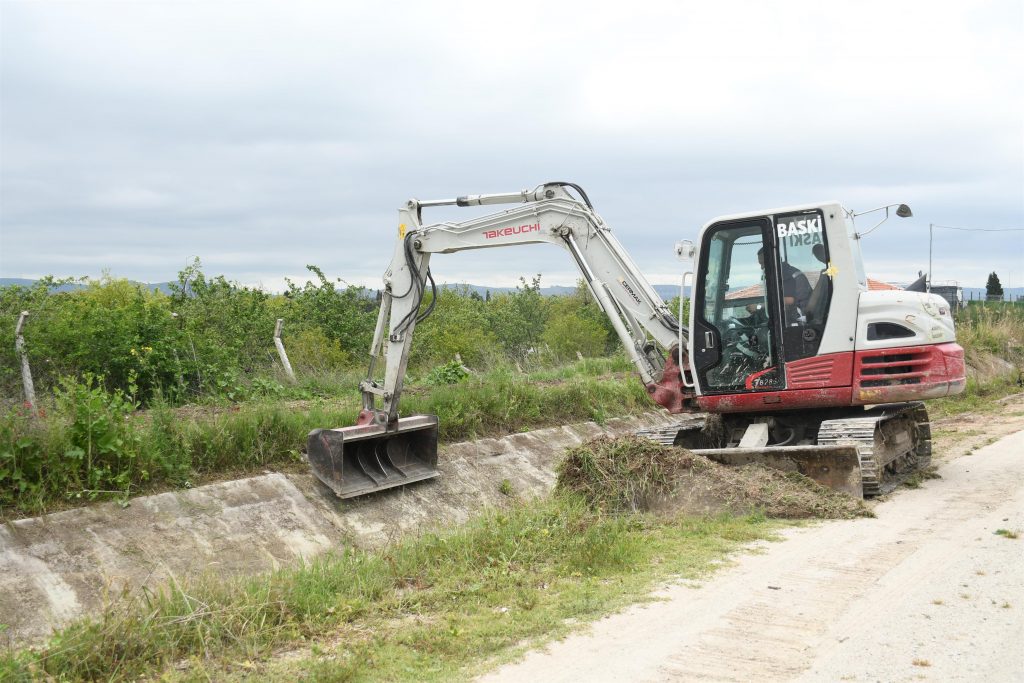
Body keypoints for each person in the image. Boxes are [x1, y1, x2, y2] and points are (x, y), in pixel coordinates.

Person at [757, 247, 811, 321]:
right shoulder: (781, 273)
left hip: (799, 318)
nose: (762, 267)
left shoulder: (786, 274)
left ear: (773, 260)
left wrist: (760, 306)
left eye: (763, 263)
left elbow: (789, 300)